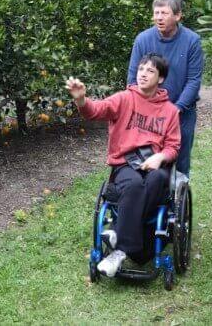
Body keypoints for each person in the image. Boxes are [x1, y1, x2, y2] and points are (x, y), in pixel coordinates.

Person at [66, 53, 180, 277]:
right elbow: (96, 110)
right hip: (126, 165)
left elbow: (174, 146)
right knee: (135, 184)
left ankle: (119, 236)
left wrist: (159, 157)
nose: (143, 74)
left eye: (150, 71)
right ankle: (124, 249)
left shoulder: (170, 111)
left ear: (161, 79)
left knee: (158, 178)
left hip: (155, 166)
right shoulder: (124, 99)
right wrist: (81, 100)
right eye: (141, 69)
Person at [127, 0, 203, 177]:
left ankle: (179, 200)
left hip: (181, 112)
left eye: (164, 13)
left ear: (177, 16)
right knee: (145, 159)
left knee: (180, 161)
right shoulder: (143, 39)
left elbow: (193, 80)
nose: (158, 18)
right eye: (156, 13)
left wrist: (176, 109)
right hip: (148, 114)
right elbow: (133, 78)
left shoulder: (192, 41)